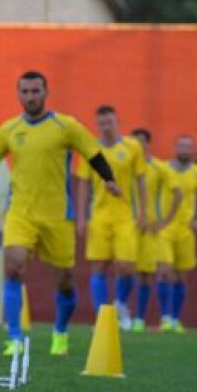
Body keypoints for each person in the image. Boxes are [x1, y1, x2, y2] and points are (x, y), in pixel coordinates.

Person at [0, 71, 118, 357]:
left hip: (58, 216)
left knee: (65, 281)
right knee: (13, 266)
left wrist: (108, 178)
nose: (30, 97)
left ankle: (60, 332)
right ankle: (15, 338)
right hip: (21, 213)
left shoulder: (66, 126)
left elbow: (93, 153)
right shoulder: (10, 129)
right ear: (18, 94)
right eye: (25, 92)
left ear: (46, 93)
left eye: (35, 91)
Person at [75, 106, 147, 330]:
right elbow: (83, 184)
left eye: (110, 122)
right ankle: (102, 316)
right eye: (102, 123)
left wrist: (144, 212)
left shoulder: (133, 147)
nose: (106, 127)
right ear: (97, 125)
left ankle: (121, 305)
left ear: (118, 122)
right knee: (99, 266)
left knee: (127, 266)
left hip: (125, 216)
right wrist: (81, 217)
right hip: (99, 216)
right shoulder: (90, 149)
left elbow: (141, 181)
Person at [156, 135, 197, 333]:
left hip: (185, 230)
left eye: (188, 147)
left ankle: (175, 319)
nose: (185, 150)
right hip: (164, 228)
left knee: (181, 275)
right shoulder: (163, 169)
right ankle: (165, 318)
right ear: (174, 148)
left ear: (193, 150)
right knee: (165, 270)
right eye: (181, 146)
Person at [129, 128, 182, 332]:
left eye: (141, 142)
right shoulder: (126, 167)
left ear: (148, 144)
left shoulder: (160, 167)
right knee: (139, 274)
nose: (137, 146)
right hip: (132, 227)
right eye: (134, 142)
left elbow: (178, 193)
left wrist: (165, 220)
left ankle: (167, 318)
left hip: (154, 229)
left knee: (164, 271)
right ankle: (138, 320)